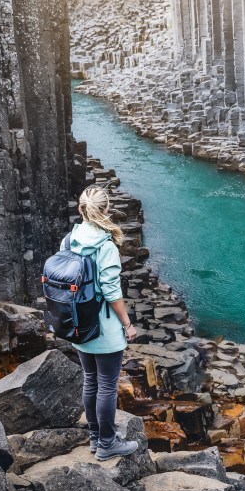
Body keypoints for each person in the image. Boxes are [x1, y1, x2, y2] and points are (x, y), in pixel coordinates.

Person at [66, 185, 140, 460]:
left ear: (81, 209)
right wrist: (127, 324)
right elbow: (111, 291)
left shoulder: (71, 238)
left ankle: (96, 438)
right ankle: (108, 443)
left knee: (90, 381)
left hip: (78, 325)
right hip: (104, 328)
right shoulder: (105, 246)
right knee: (107, 385)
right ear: (106, 210)